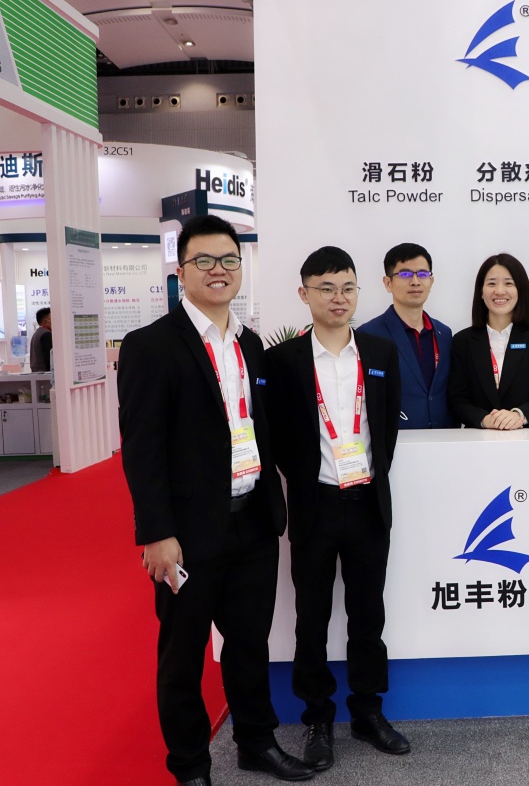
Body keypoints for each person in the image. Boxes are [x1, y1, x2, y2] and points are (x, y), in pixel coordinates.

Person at [118, 214, 312, 786]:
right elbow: (143, 449)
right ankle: (190, 765)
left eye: (229, 260)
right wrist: (156, 533)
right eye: (203, 261)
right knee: (183, 654)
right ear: (181, 272)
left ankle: (256, 742)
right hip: (187, 532)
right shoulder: (152, 345)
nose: (218, 270)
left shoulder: (249, 343)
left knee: (249, 644)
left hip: (252, 521)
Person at [265, 246, 406, 772]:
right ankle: (317, 718)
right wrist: (308, 477)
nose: (338, 298)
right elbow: (277, 435)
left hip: (368, 504)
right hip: (315, 506)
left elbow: (386, 428)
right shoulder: (283, 362)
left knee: (369, 615)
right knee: (312, 618)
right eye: (326, 288)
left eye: (347, 288)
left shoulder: (380, 352)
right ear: (304, 294)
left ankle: (368, 711)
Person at [447, 253, 529, 429]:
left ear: (520, 290)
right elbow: (457, 399)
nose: (500, 291)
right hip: (479, 438)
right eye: (491, 283)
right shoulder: (463, 341)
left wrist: (519, 415)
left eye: (508, 283)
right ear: (481, 291)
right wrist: (484, 419)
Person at [358, 242, 454, 428]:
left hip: (445, 438)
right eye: (405, 274)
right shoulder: (369, 335)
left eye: (423, 274)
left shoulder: (444, 334)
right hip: (396, 440)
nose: (415, 281)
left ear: (431, 281)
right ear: (388, 283)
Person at [28, 307, 52, 372]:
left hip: (37, 373)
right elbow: (49, 358)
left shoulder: (37, 333)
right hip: (46, 374)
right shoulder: (46, 334)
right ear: (46, 321)